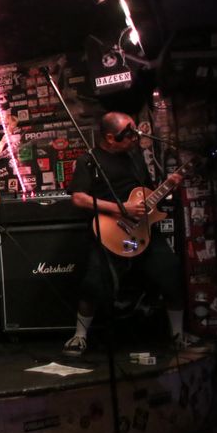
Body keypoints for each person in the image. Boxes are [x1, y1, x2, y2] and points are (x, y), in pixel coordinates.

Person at [62, 111, 187, 357]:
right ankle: (79, 336)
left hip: (141, 232)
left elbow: (147, 195)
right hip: (110, 233)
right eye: (128, 134)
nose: (134, 138)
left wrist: (168, 186)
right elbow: (78, 198)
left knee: (171, 272)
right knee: (93, 283)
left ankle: (178, 335)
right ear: (110, 137)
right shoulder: (90, 161)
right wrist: (121, 209)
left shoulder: (134, 157)